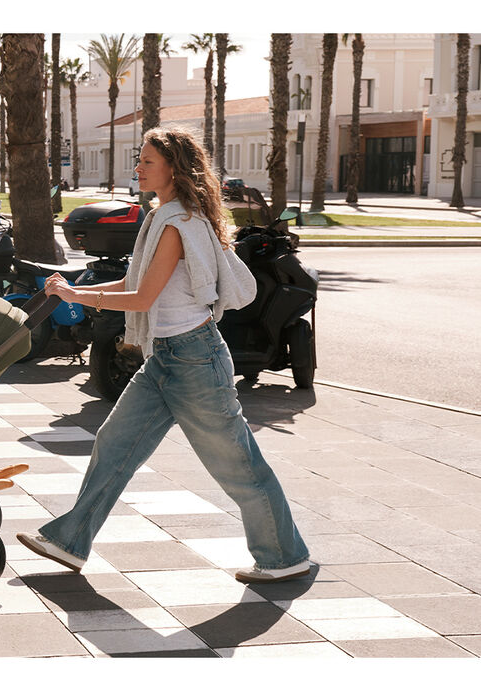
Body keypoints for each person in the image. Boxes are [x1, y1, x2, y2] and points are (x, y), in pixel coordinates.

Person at [16, 126, 311, 585]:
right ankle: (69, 541)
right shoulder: (162, 216)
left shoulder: (177, 224)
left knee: (236, 464)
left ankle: (284, 556)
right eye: (139, 159)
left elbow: (142, 298)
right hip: (165, 357)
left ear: (174, 168)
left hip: (195, 360)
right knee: (114, 444)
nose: (137, 167)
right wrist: (74, 289)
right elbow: (135, 281)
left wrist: (77, 296)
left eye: (147, 161)